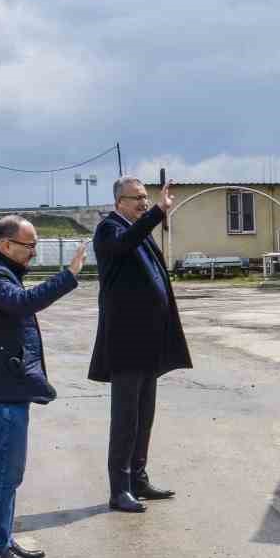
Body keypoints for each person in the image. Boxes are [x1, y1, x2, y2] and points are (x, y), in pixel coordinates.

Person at [0, 216, 87, 558]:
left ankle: (2, 540)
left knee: (10, 472)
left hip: (4, 386)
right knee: (3, 472)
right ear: (5, 245)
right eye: (29, 246)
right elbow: (23, 303)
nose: (33, 253)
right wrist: (68, 276)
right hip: (0, 391)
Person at [88, 176, 191, 513]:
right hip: (126, 342)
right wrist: (158, 213)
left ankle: (138, 480)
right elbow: (124, 245)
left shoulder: (136, 230)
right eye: (137, 198)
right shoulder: (110, 230)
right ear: (119, 201)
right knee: (125, 418)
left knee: (144, 415)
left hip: (148, 342)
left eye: (146, 198)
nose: (143, 203)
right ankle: (119, 489)